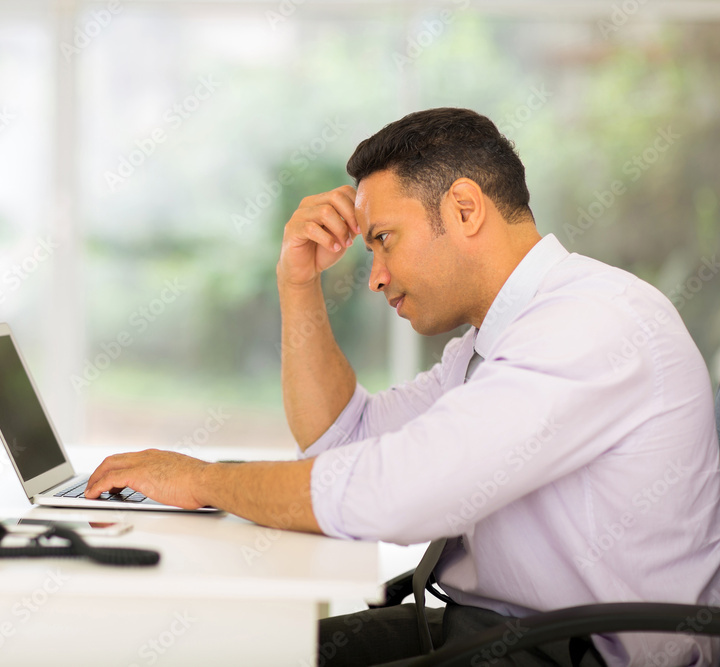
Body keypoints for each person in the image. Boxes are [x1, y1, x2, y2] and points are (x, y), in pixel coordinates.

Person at [85, 108, 720, 667]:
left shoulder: (592, 324)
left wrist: (205, 480)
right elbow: (344, 440)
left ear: (464, 209)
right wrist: (296, 281)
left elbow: (398, 493)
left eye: (384, 240)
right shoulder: (491, 343)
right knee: (236, 648)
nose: (376, 276)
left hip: (573, 653)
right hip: (499, 635)